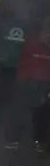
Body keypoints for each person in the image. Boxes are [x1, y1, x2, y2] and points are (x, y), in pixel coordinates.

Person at [6, 15, 50, 152]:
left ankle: (39, 140)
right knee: (20, 110)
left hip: (46, 82)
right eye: (47, 23)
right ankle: (14, 139)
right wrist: (21, 77)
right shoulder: (32, 39)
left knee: (41, 113)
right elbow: (23, 60)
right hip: (29, 80)